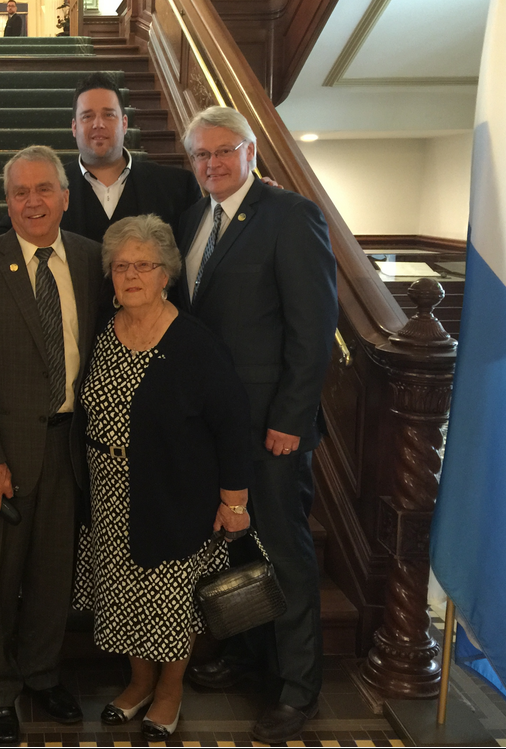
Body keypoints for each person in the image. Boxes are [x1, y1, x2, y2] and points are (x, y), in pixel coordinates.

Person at [174, 106, 338, 744]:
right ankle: (247, 658)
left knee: (286, 555)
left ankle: (299, 690)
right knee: (235, 549)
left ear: (249, 153)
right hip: (214, 428)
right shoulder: (193, 220)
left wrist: (292, 419)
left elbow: (313, 327)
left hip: (271, 429)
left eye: (222, 151)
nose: (210, 164)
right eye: (200, 156)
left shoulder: (290, 215)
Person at [0, 145, 104, 746]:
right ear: (6, 202)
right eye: (20, 192)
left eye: (44, 189)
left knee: (51, 579)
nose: (33, 201)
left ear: (65, 196)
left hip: (70, 451)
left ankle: (41, 673)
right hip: (1, 458)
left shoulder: (91, 260)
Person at [72, 214, 252, 739]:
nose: (131, 276)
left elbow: (233, 424)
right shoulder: (103, 332)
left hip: (177, 495)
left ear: (166, 273)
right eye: (121, 266)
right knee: (124, 594)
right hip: (108, 494)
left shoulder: (194, 342)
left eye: (143, 266)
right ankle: (138, 682)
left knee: (169, 601)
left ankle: (169, 691)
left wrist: (234, 502)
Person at [0, 72, 202, 241]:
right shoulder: (47, 187)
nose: (98, 124)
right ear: (74, 127)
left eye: (109, 114)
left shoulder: (178, 187)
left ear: (124, 123)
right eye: (87, 116)